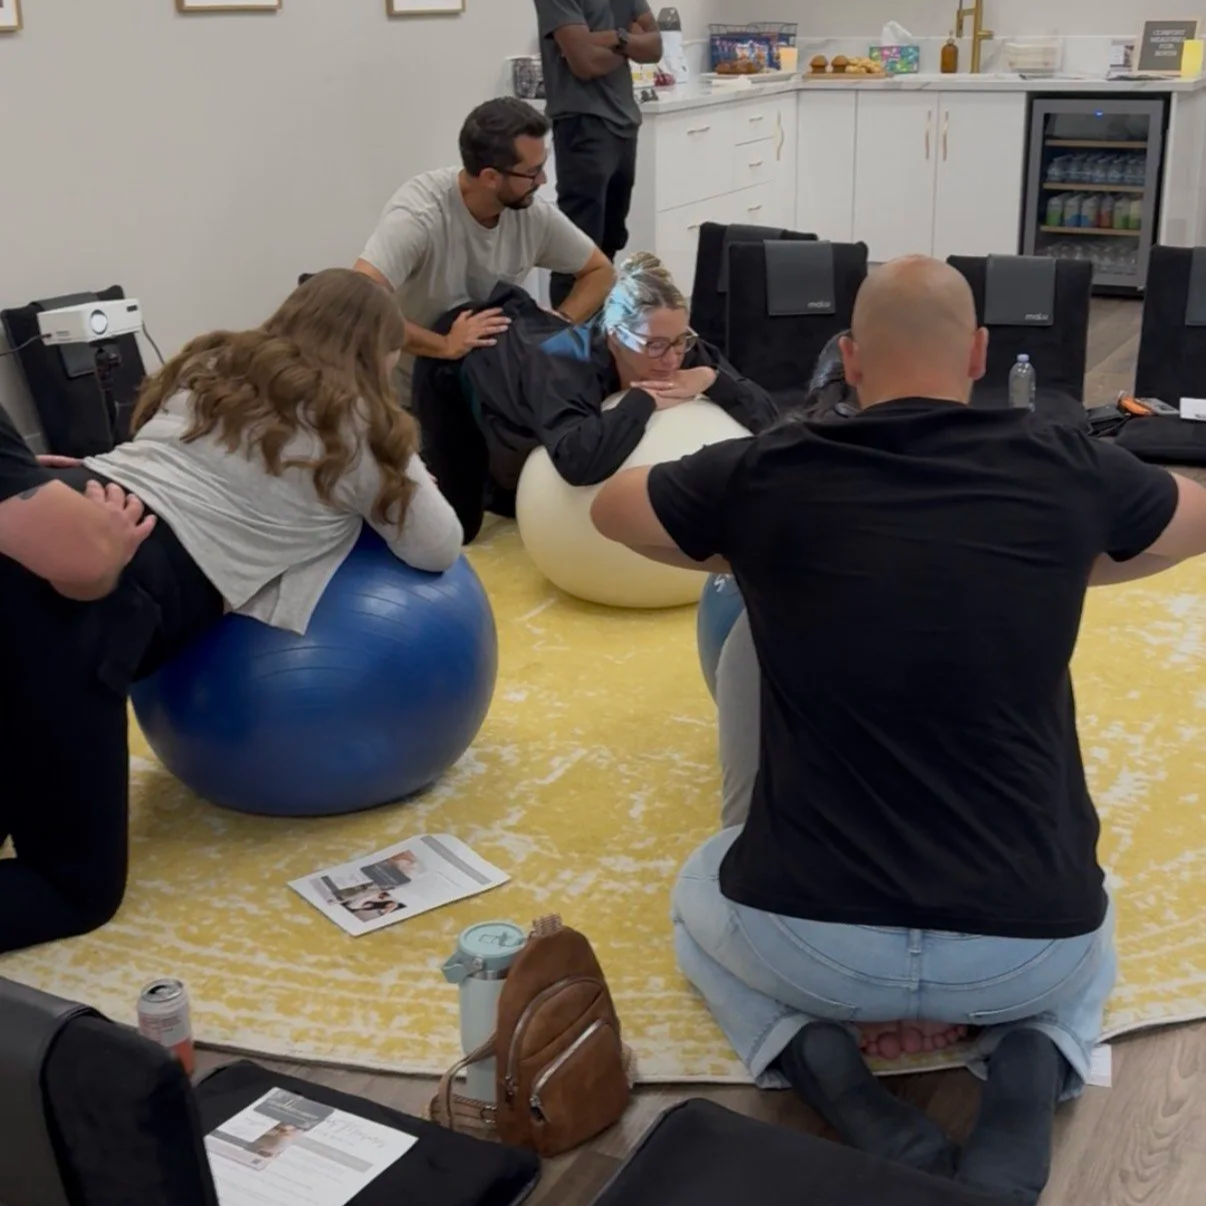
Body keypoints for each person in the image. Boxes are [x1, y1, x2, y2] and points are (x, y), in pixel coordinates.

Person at [590, 255, 1206, 1204]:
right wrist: (1064, 562)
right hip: (1024, 953)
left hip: (814, 947)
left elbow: (611, 508)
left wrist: (750, 553)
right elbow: (1195, 518)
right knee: (1097, 891)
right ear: (980, 354)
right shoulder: (1064, 464)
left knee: (693, 887)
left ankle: (815, 1058)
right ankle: (1037, 1058)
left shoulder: (773, 468)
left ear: (849, 359)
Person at [0, 269, 461, 955]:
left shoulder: (210, 364)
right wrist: (404, 458)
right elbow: (437, 544)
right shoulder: (361, 424)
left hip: (60, 508)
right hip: (88, 602)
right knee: (73, 889)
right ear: (378, 354)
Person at [416, 251, 778, 541]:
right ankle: (410, 469)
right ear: (616, 337)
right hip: (461, 365)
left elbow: (770, 420)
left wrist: (712, 378)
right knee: (458, 529)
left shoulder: (680, 347)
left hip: (531, 356)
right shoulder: (562, 364)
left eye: (680, 341)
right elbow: (578, 463)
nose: (671, 360)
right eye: (655, 346)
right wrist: (644, 399)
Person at [355, 96, 615, 409]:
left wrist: (559, 322)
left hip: (483, 396)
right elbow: (360, 303)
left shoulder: (531, 214)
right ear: (491, 177)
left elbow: (600, 271)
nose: (543, 180)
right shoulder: (419, 216)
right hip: (404, 398)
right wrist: (444, 345)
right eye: (532, 172)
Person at [534, 1, 662, 310]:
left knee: (611, 240)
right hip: (583, 124)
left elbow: (656, 47)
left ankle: (598, 328)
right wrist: (628, 40)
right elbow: (585, 63)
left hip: (624, 123)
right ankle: (567, 334)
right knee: (578, 249)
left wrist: (612, 39)